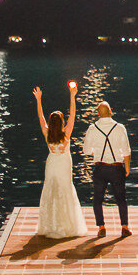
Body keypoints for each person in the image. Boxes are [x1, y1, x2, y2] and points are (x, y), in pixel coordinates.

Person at [33, 81, 86, 239]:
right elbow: (73, 115)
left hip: (52, 163)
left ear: (51, 122)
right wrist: (72, 96)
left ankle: (50, 223)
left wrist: (38, 99)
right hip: (64, 163)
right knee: (65, 189)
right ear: (62, 122)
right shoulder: (66, 133)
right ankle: (67, 224)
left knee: (51, 190)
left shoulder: (47, 133)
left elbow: (40, 117)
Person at [80, 100, 131, 237]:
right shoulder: (120, 128)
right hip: (116, 167)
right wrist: (127, 168)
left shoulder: (92, 128)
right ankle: (124, 227)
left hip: (100, 168)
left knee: (98, 199)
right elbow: (126, 151)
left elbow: (85, 151)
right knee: (121, 198)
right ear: (110, 111)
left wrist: (96, 153)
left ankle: (101, 227)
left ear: (98, 114)